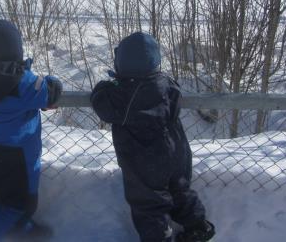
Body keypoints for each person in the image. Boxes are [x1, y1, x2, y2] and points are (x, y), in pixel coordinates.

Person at [90, 32, 215, 242]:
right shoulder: (166, 83)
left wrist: (108, 84)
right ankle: (198, 227)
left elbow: (101, 101)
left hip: (143, 159)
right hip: (176, 149)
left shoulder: (121, 96)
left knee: (149, 203)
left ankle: (159, 237)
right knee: (180, 189)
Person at [0, 20, 62, 241]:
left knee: (4, 199)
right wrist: (36, 73)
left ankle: (21, 229)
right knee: (20, 205)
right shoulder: (21, 81)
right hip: (14, 157)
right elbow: (52, 91)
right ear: (16, 50)